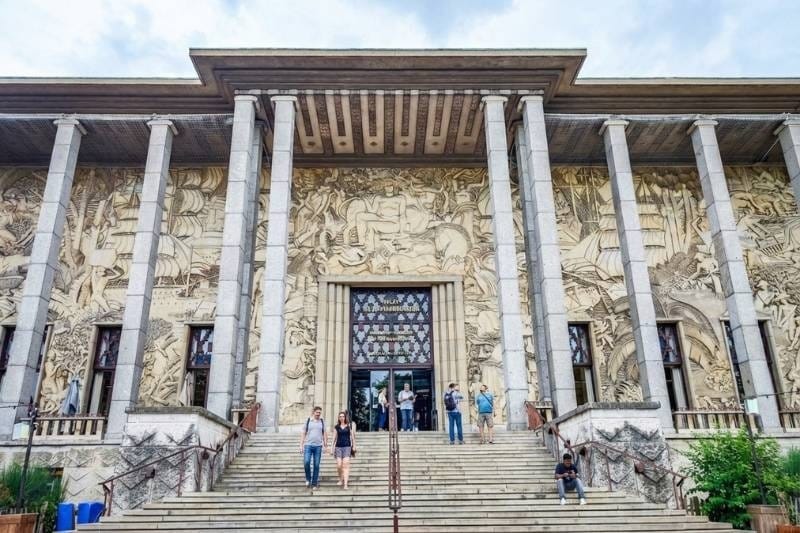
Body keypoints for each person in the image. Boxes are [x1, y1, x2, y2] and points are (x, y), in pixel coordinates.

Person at [300, 406, 328, 489]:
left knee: (316, 465)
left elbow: (324, 433)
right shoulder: (309, 421)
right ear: (314, 412)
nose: (318, 414)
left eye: (320, 413)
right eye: (317, 412)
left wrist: (325, 444)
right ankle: (308, 479)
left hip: (318, 446)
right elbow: (303, 433)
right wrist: (301, 445)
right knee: (306, 462)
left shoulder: (322, 422)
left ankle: (314, 483)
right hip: (308, 445)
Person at [330, 410, 357, 489]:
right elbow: (334, 439)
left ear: (345, 417)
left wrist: (354, 446)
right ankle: (340, 478)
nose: (342, 418)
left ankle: (345, 484)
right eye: (340, 416)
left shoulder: (349, 426)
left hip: (347, 447)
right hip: (338, 447)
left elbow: (352, 437)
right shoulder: (337, 427)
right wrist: (332, 448)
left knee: (346, 465)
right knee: (339, 465)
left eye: (343, 416)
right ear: (338, 418)